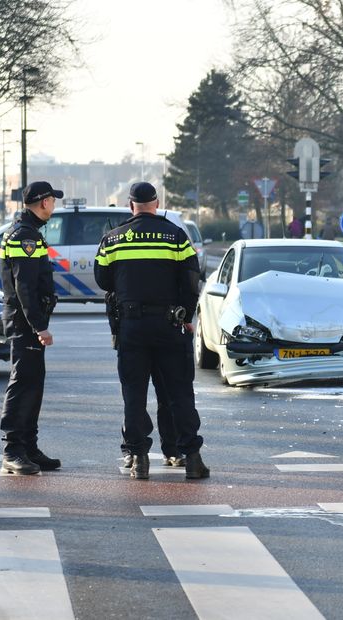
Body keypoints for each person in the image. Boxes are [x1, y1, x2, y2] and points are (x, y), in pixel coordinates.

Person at [94, 182, 209, 480]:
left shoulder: (113, 238)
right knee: (179, 392)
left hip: (131, 327)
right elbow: (191, 279)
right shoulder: (176, 236)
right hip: (170, 325)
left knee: (134, 394)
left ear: (130, 205)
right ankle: (192, 458)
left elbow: (102, 280)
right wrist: (186, 312)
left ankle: (139, 458)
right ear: (157, 203)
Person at [0, 181, 62, 475]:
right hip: (25, 324)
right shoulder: (24, 236)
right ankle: (13, 449)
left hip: (28, 322)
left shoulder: (27, 232)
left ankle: (29, 446)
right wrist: (39, 326)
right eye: (53, 200)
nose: (54, 205)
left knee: (33, 384)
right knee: (23, 382)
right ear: (44, 202)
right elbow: (24, 286)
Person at [106, 291, 184, 469]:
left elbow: (104, 277)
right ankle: (138, 449)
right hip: (155, 320)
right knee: (143, 395)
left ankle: (140, 451)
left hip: (144, 321)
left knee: (137, 395)